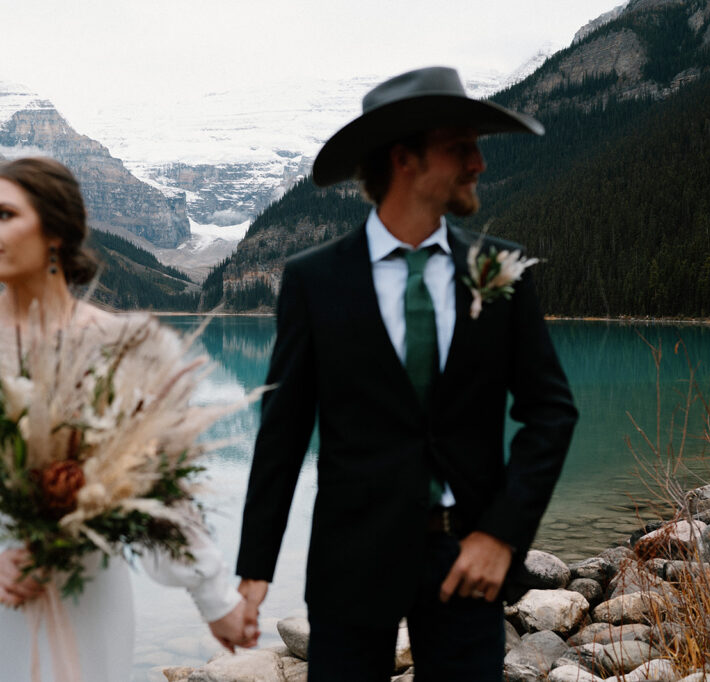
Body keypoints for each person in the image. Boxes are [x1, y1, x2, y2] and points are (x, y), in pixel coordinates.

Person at [234, 67, 579, 680]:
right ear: (404, 159)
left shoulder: (501, 270)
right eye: (460, 147)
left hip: (470, 559)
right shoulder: (315, 280)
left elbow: (550, 411)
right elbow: (283, 432)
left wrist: (500, 535)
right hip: (351, 558)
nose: (478, 163)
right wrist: (255, 572)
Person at [0, 157, 254, 681]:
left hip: (87, 594)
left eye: (3, 214)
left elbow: (164, 487)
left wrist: (214, 598)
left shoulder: (130, 348)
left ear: (55, 230)